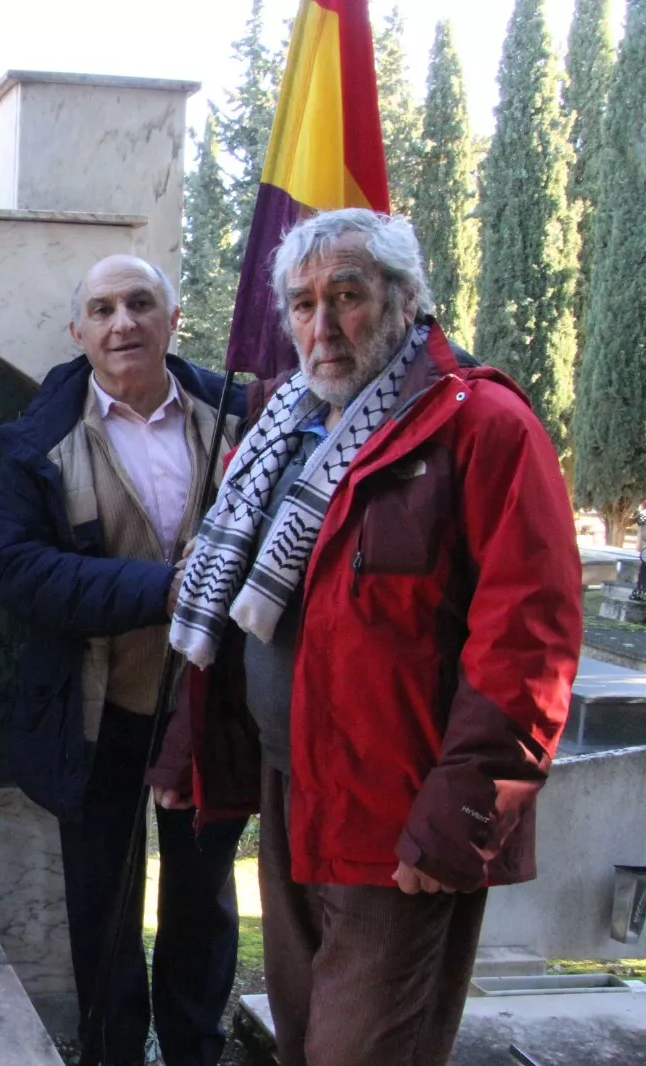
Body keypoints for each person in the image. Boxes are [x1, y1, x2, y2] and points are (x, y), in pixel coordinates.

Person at [169, 208, 581, 1066]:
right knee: (303, 1042)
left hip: (402, 818)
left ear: (405, 300)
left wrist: (465, 816)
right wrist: (187, 741)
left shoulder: (483, 426)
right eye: (303, 303)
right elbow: (237, 598)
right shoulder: (285, 425)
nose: (321, 327)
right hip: (293, 792)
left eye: (346, 296)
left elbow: (529, 645)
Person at [0, 254, 248, 1066]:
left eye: (140, 304)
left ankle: (195, 1049)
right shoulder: (37, 441)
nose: (122, 323)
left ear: (174, 320)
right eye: (101, 310)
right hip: (96, 715)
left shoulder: (239, 418)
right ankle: (111, 1053)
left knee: (202, 900)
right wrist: (157, 591)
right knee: (102, 903)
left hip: (207, 712)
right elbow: (17, 569)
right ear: (78, 332)